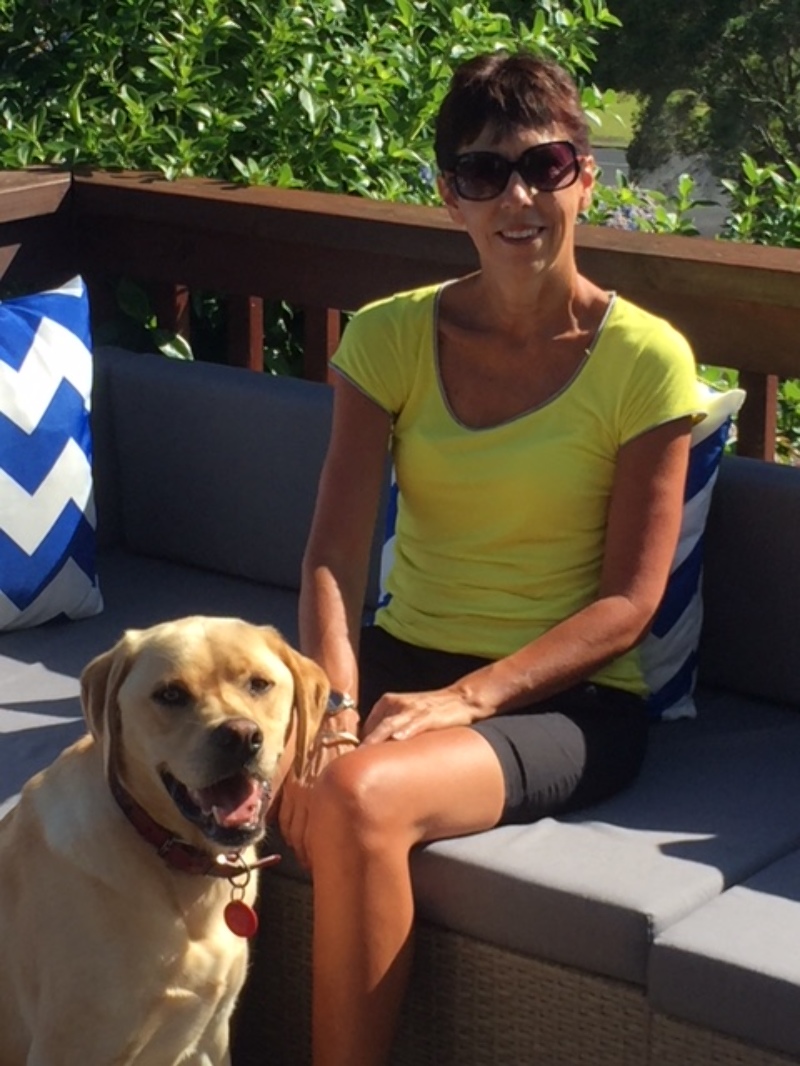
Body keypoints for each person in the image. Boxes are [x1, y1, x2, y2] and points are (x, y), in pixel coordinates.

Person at [279, 50, 701, 1066]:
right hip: (399, 661)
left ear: (584, 178)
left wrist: (465, 700)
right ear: (449, 196)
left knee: (356, 797)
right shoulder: (387, 338)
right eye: (482, 171)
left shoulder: (645, 358)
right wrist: (331, 707)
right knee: (186, 751)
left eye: (543, 166)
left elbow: (627, 604)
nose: (516, 197)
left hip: (568, 703)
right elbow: (334, 557)